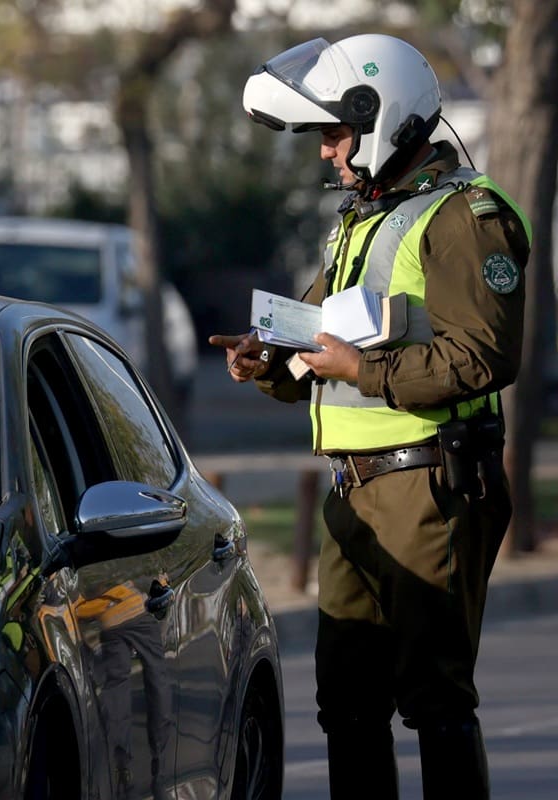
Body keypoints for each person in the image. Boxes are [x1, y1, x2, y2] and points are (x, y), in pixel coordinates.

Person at [210, 34, 531, 800]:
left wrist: (364, 369)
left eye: (333, 133)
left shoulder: (465, 216)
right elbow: (318, 347)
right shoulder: (363, 220)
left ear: (378, 116)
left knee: (436, 699)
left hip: (428, 483)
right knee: (347, 702)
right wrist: (269, 364)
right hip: (352, 489)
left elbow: (484, 359)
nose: (325, 153)